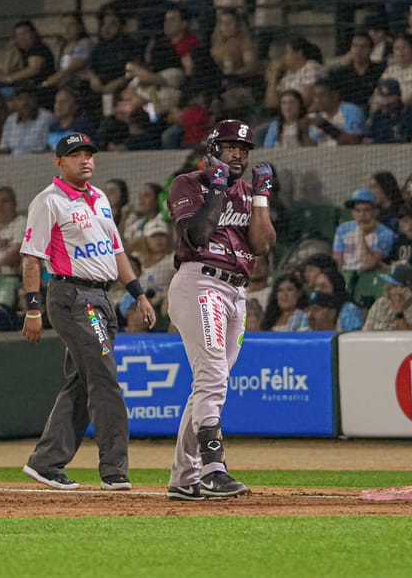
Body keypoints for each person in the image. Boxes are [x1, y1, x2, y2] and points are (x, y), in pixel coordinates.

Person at [19, 132, 154, 492]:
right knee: (105, 375)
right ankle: (114, 470)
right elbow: (32, 257)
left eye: (90, 154)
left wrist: (138, 294)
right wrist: (33, 309)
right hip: (74, 297)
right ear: (59, 162)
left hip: (103, 298)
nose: (86, 160)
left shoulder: (100, 199)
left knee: (83, 380)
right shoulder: (48, 201)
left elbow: (117, 251)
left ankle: (46, 462)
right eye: (76, 154)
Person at [164, 120, 275, 501]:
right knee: (211, 375)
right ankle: (213, 469)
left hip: (236, 291)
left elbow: (261, 246)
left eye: (244, 149)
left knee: (211, 384)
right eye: (230, 147)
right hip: (200, 282)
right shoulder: (188, 184)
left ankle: (183, 477)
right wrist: (215, 188)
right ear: (212, 148)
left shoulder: (247, 193)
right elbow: (195, 236)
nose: (238, 154)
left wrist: (261, 198)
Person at [332, 187, 394, 272]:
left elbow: (368, 264)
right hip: (347, 277)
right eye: (358, 210)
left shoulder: (386, 233)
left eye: (367, 210)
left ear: (375, 212)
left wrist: (360, 234)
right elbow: (338, 262)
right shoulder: (342, 230)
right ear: (353, 213)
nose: (362, 215)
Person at [363, 263, 412, 331]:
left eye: (394, 286)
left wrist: (399, 316)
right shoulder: (380, 304)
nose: (389, 290)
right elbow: (364, 334)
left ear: (409, 291)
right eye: (389, 285)